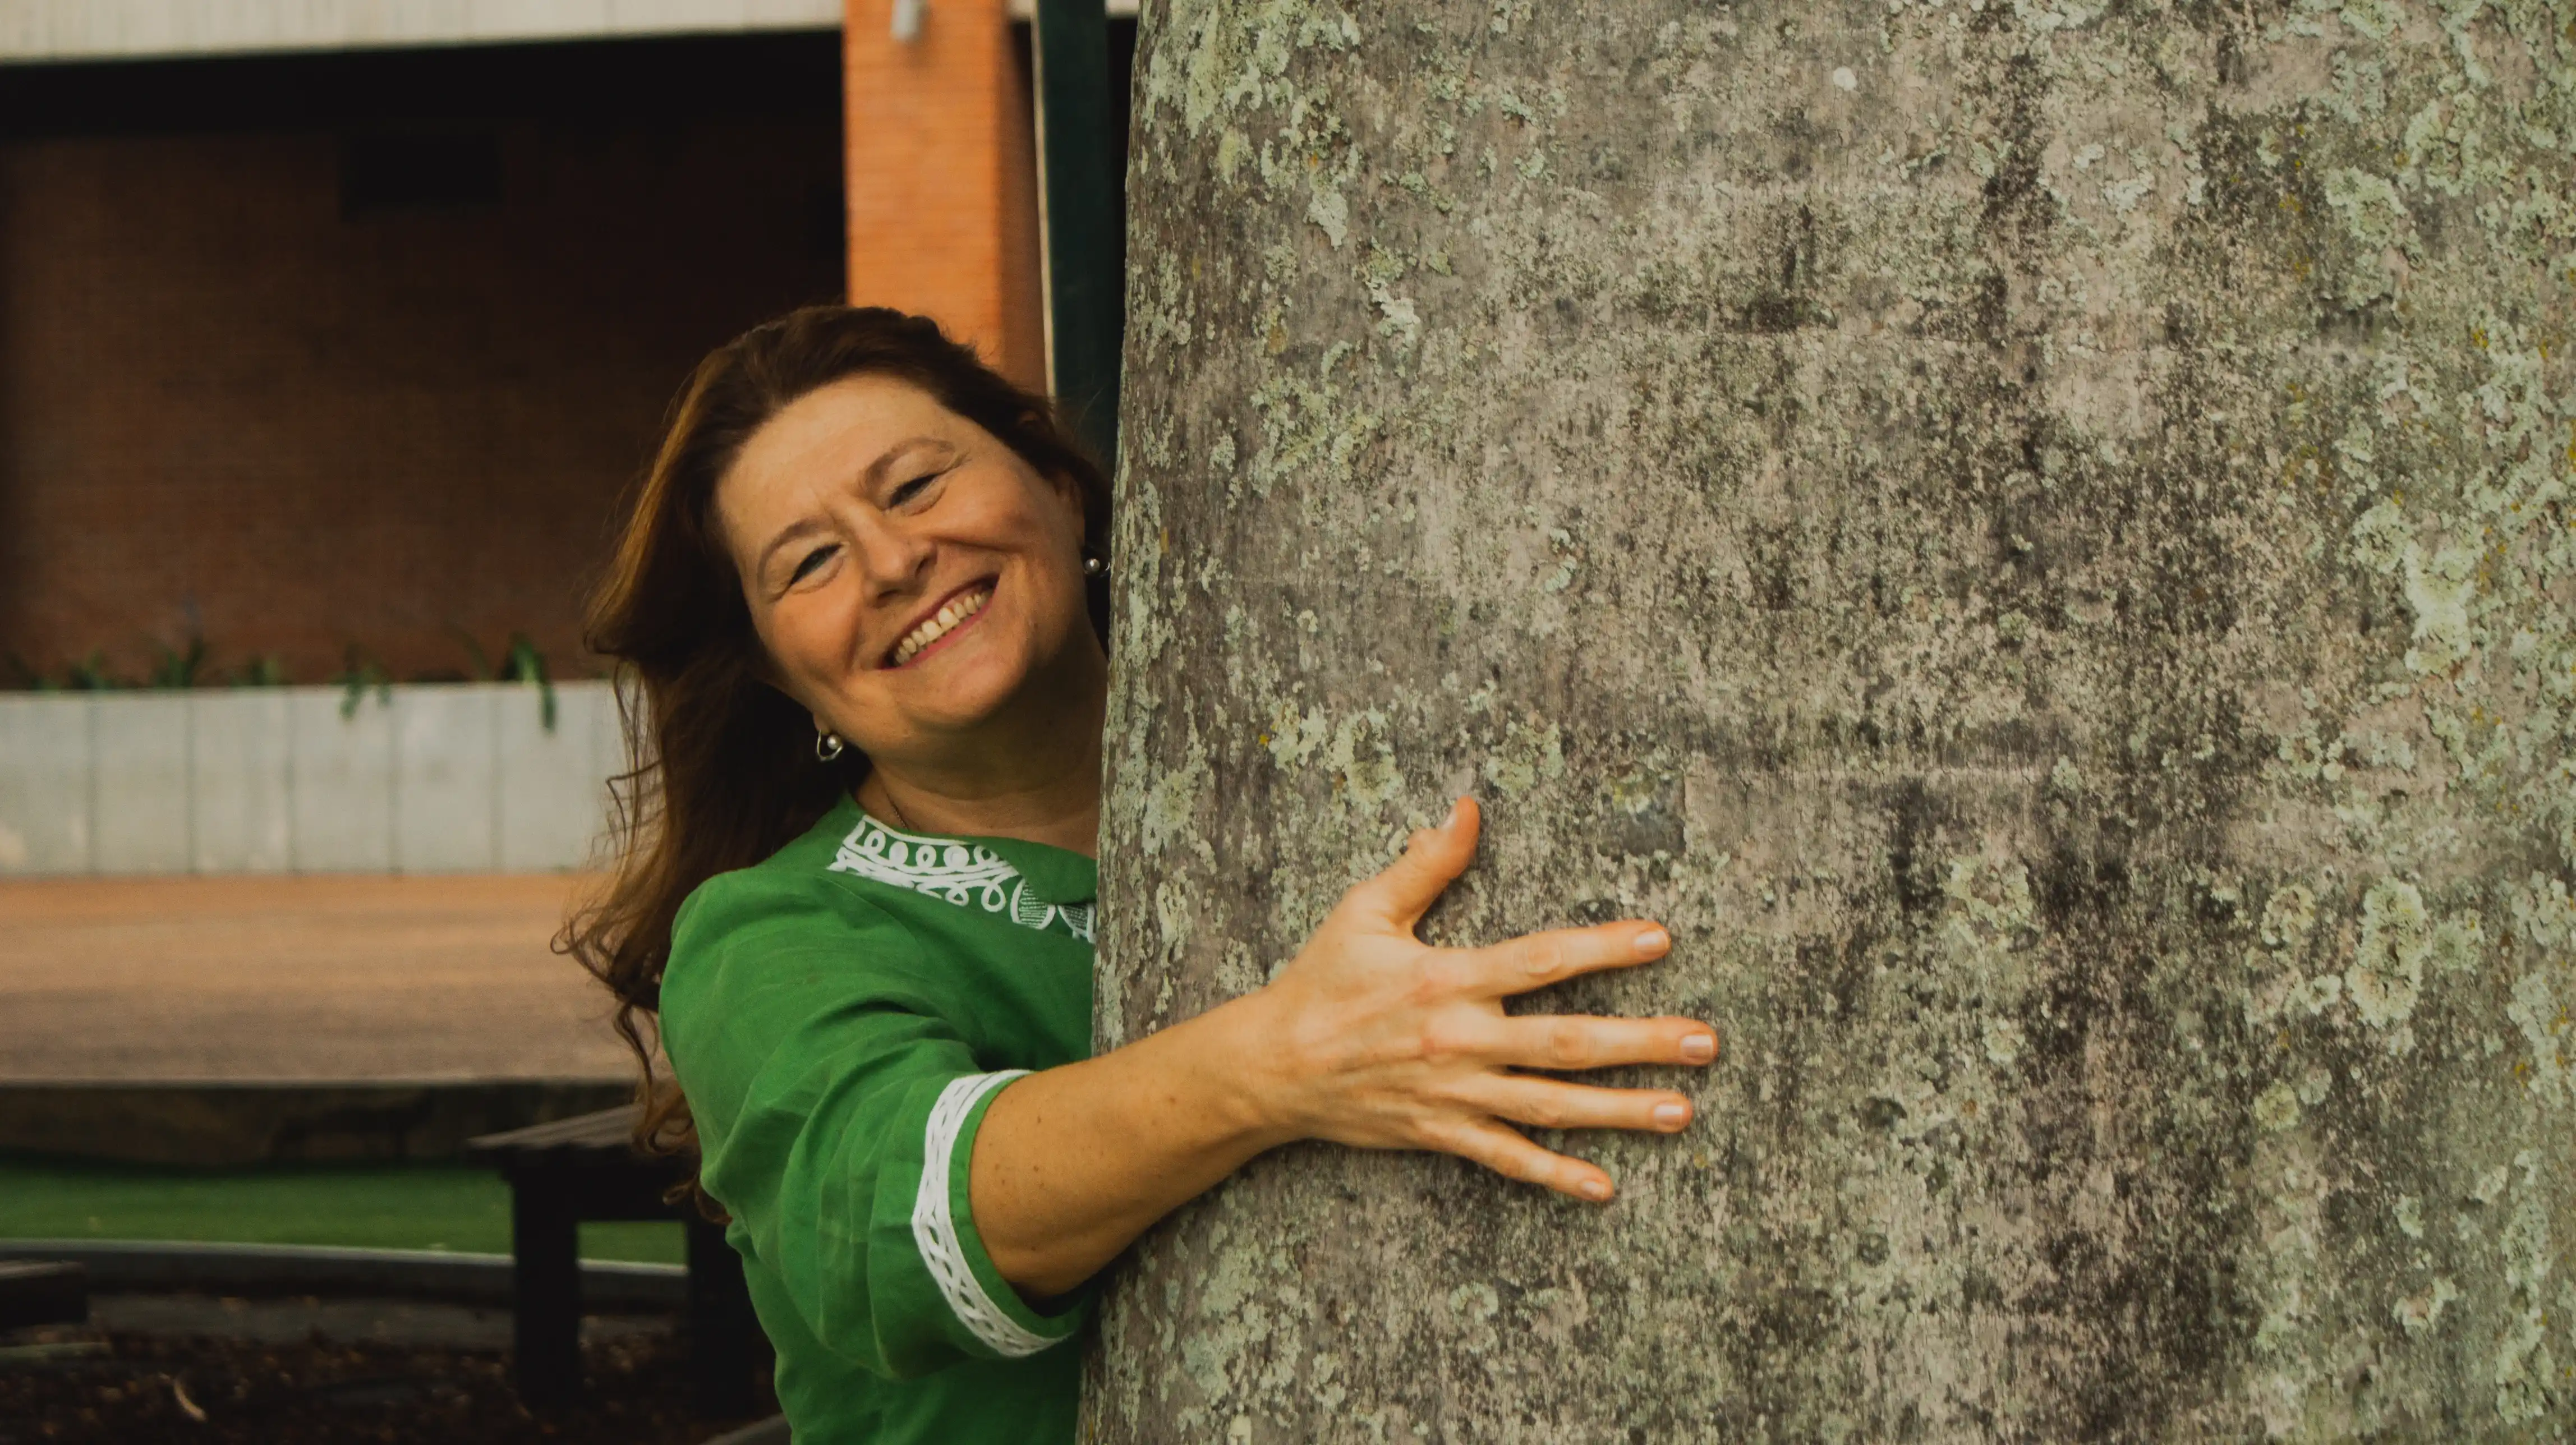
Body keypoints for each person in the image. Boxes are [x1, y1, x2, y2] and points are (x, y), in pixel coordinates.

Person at [569, 306, 1721, 1443]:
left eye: (917, 485)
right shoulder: (768, 936)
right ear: (784, 681)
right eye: (809, 562)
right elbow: (897, 1237)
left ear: (1056, 485)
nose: (891, 560)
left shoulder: (1336, 764)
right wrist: (1285, 1059)